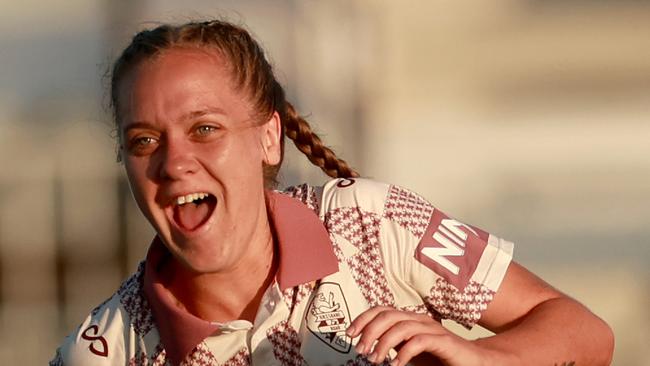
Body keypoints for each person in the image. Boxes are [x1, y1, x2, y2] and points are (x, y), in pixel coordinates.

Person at [50, 19, 614, 366]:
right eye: (145, 140)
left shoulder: (369, 220)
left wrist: (480, 357)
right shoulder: (102, 351)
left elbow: (585, 334)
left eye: (205, 129)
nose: (174, 163)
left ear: (269, 138)